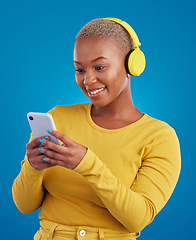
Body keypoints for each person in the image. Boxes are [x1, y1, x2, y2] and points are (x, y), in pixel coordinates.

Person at [12, 18, 181, 240]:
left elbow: (138, 219)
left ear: (131, 64)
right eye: (79, 69)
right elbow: (25, 205)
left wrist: (87, 164)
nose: (88, 80)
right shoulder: (57, 118)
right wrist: (33, 167)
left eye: (99, 67)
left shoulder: (159, 137)